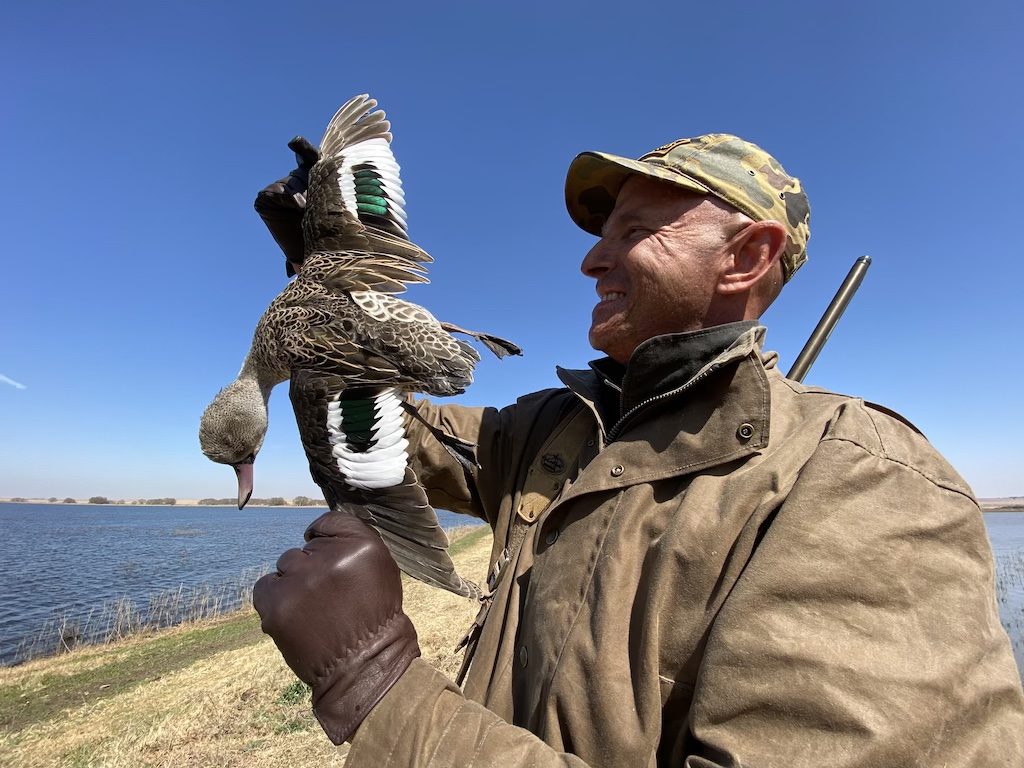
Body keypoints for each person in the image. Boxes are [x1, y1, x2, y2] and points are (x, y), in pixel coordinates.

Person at [251, 133, 1024, 766]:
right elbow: (396, 431)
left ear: (747, 257)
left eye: (634, 231)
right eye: (600, 235)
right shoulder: (557, 428)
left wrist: (378, 685)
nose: (591, 260)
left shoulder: (858, 481)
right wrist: (326, 287)